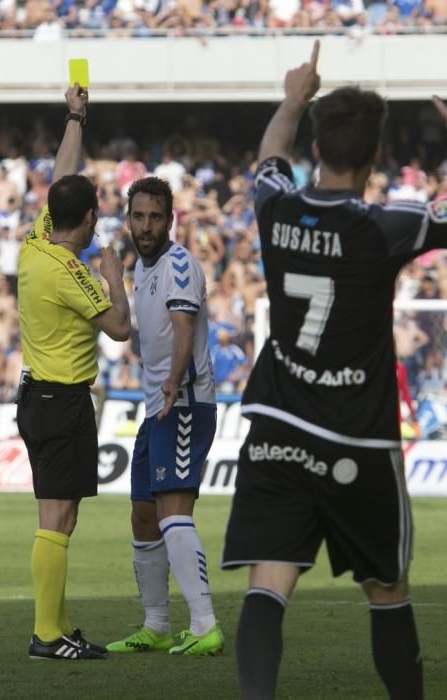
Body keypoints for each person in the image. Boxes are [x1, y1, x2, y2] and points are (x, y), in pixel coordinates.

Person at [221, 40, 447, 700]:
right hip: (357, 438)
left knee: (269, 582)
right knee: (386, 589)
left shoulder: (275, 207)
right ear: (374, 158)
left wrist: (293, 98)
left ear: (316, 148)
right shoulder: (386, 225)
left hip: (278, 423)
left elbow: (266, 158)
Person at [17, 83, 131, 661]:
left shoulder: (33, 245)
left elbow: (62, 175)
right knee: (56, 518)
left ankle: (56, 626)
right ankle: (45, 635)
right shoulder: (71, 271)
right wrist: (113, 274)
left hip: (41, 397)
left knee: (60, 517)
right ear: (89, 219)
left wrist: (75, 119)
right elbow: (119, 328)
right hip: (61, 403)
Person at [107, 177, 224, 656]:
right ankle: (155, 624)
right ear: (129, 219)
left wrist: (174, 382)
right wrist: (113, 277)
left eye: (155, 216)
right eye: (139, 216)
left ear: (170, 219)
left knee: (174, 514)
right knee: (142, 515)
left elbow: (183, 327)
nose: (146, 225)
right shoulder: (144, 268)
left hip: (184, 404)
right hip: (157, 407)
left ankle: (204, 626)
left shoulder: (178, 264)